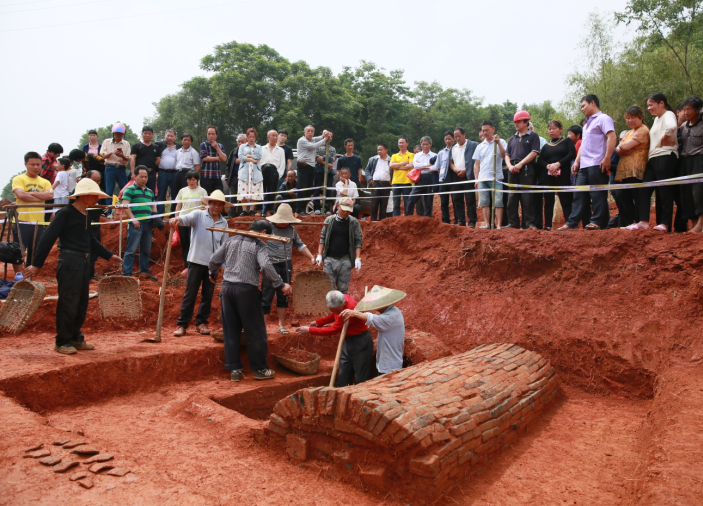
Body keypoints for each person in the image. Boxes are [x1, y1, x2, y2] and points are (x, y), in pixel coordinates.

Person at [25, 178, 121, 355]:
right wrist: (36, 264)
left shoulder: (85, 215)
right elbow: (47, 238)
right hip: (70, 261)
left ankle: (76, 337)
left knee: (81, 302)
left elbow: (90, 240)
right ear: (84, 196)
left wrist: (109, 255)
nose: (97, 200)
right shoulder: (65, 213)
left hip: (83, 262)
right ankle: (62, 341)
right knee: (68, 302)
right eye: (95, 196)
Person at [209, 220, 292, 382]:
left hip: (227, 290)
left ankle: (235, 369)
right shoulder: (259, 245)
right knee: (255, 329)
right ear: (262, 232)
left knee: (231, 330)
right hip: (246, 290)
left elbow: (213, 259)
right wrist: (280, 284)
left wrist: (212, 274)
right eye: (267, 236)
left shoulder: (231, 240)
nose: (266, 239)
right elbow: (266, 266)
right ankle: (260, 368)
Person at [170, 190, 230, 337]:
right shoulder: (198, 215)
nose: (216, 207)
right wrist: (176, 219)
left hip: (213, 265)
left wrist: (222, 265)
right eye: (214, 203)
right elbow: (185, 219)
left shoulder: (224, 222)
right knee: (190, 293)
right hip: (196, 261)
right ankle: (182, 324)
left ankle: (201, 323)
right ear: (209, 204)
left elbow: (224, 245)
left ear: (223, 206)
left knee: (207, 294)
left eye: (219, 204)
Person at [558, 95, 616, 231]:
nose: (582, 109)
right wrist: (577, 161)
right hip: (584, 165)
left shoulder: (603, 118)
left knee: (597, 194)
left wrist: (607, 158)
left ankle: (597, 222)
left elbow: (611, 136)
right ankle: (572, 222)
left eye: (583, 105)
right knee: (579, 193)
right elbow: (584, 145)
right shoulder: (586, 125)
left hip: (597, 162)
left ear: (593, 103)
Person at [625, 94, 679, 232]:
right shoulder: (656, 119)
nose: (649, 108)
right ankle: (643, 221)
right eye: (648, 105)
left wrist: (665, 139)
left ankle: (665, 224)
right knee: (644, 188)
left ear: (661, 103)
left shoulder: (669, 115)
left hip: (666, 156)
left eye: (651, 105)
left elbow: (672, 127)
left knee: (664, 191)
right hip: (653, 159)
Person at [296, 290, 372, 387]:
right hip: (348, 340)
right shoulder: (339, 299)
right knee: (343, 374)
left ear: (343, 303)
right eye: (332, 309)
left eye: (337, 310)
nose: (335, 312)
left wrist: (310, 330)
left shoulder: (349, 309)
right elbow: (335, 314)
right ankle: (341, 395)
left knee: (361, 377)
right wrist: (319, 322)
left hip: (360, 341)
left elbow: (333, 329)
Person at [264, 204, 315, 333]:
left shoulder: (292, 230)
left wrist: (311, 257)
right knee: (266, 296)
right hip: (270, 265)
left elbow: (300, 245)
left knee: (284, 295)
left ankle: (281, 325)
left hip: (285, 265)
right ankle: (262, 326)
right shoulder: (268, 228)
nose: (283, 223)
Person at [340, 285, 406, 376]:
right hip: (388, 362)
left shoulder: (389, 317)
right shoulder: (395, 311)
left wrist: (355, 313)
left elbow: (372, 318)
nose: (375, 307)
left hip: (389, 366)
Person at [13, 152, 53, 266]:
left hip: (39, 222)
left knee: (35, 253)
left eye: (38, 164)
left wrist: (29, 194)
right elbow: (21, 195)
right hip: (22, 220)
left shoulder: (45, 182)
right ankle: (19, 279)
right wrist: (40, 195)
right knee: (18, 252)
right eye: (32, 164)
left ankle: (29, 280)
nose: (36, 167)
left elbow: (49, 196)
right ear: (26, 164)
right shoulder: (18, 179)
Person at [535, 120, 577, 230]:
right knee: (548, 200)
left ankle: (570, 223)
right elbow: (540, 160)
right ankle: (548, 225)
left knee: (565, 199)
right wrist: (548, 166)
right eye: (549, 129)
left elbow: (571, 154)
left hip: (563, 173)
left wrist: (558, 164)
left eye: (554, 128)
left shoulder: (567, 141)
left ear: (561, 129)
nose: (551, 131)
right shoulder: (546, 146)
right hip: (548, 175)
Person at [316, 197, 362, 294]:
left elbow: (358, 240)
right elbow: (322, 238)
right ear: (338, 206)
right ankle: (329, 309)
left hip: (345, 260)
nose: (346, 212)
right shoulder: (329, 220)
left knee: (343, 290)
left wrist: (358, 258)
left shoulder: (353, 222)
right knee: (328, 289)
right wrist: (320, 254)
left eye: (348, 211)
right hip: (329, 259)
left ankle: (342, 309)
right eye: (344, 209)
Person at [614, 106, 650, 228]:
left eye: (632, 117)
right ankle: (629, 223)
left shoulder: (643, 130)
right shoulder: (629, 132)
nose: (629, 120)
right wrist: (621, 148)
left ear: (640, 117)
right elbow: (618, 149)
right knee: (626, 198)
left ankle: (640, 222)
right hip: (625, 170)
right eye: (627, 118)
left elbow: (622, 147)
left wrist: (621, 148)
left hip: (636, 169)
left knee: (637, 196)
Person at [505, 111, 540, 229]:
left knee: (527, 197)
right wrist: (510, 166)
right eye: (515, 122)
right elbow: (507, 155)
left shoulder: (533, 136)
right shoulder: (512, 138)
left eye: (518, 121)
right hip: (512, 169)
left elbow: (534, 152)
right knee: (512, 198)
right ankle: (513, 223)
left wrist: (520, 164)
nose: (516, 124)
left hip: (526, 168)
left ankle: (529, 223)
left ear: (526, 122)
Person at [122, 166, 157, 280]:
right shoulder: (129, 190)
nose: (144, 179)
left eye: (146, 177)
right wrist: (133, 219)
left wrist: (155, 220)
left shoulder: (150, 192)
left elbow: (153, 207)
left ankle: (144, 271)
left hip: (148, 224)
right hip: (136, 224)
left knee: (146, 250)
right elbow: (125, 205)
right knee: (131, 249)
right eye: (141, 176)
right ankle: (127, 273)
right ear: (135, 176)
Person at [473, 121, 507, 229]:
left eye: (487, 130)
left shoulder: (501, 141)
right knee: (484, 202)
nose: (485, 132)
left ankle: (499, 225)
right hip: (483, 177)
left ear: (493, 129)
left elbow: (504, 155)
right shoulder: (480, 146)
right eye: (483, 130)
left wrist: (498, 143)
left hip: (496, 177)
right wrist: (476, 179)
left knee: (498, 201)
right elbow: (476, 163)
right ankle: (487, 224)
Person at [174, 170, 208, 272]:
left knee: (195, 243)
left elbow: (206, 206)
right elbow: (178, 206)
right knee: (185, 244)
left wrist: (205, 210)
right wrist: (177, 218)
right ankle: (187, 266)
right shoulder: (182, 191)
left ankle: (195, 266)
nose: (191, 182)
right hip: (183, 220)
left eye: (193, 179)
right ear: (186, 180)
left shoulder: (202, 191)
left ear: (197, 180)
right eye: (189, 179)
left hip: (196, 221)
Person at [680, 95, 703, 233]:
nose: (686, 112)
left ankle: (700, 225)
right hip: (685, 160)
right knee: (687, 193)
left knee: (699, 192)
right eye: (684, 109)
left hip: (699, 159)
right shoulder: (683, 126)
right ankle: (694, 225)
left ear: (698, 109)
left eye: (689, 109)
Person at [296, 126, 331, 215]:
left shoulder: (313, 139)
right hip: (303, 166)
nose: (310, 133)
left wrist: (325, 132)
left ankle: (304, 209)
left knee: (308, 190)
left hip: (311, 167)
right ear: (304, 132)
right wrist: (325, 139)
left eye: (312, 131)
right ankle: (300, 210)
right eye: (308, 131)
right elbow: (314, 146)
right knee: (302, 189)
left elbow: (320, 137)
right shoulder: (302, 140)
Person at [100, 123, 131, 206]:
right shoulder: (106, 142)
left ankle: (126, 210)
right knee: (109, 190)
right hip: (110, 167)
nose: (118, 135)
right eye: (117, 133)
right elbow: (103, 156)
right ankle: (109, 212)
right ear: (113, 133)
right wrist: (111, 153)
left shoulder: (126, 144)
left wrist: (121, 155)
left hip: (121, 168)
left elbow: (127, 158)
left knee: (125, 190)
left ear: (123, 134)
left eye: (120, 133)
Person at [406, 136, 437, 216]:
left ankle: (428, 218)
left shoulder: (435, 155)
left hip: (430, 177)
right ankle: (408, 216)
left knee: (428, 200)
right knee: (412, 197)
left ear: (431, 144)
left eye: (427, 144)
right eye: (423, 144)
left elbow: (435, 167)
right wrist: (429, 165)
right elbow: (416, 166)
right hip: (420, 177)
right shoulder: (417, 155)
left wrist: (422, 166)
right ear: (421, 144)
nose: (425, 146)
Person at [237, 127, 263, 217]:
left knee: (254, 191)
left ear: (255, 137)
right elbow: (241, 157)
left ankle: (252, 209)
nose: (251, 138)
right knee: (243, 190)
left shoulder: (259, 147)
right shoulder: (242, 146)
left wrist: (247, 157)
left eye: (253, 137)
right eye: (250, 136)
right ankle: (244, 210)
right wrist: (250, 157)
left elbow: (258, 157)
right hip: (244, 172)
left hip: (255, 173)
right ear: (247, 137)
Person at [260, 130, 286, 217]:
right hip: (263, 170)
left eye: (276, 135)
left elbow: (282, 164)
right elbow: (258, 161)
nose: (275, 137)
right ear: (268, 137)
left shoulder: (281, 150)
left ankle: (268, 210)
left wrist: (278, 175)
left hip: (274, 171)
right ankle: (259, 210)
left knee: (272, 192)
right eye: (273, 135)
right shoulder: (262, 148)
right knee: (261, 191)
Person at [156, 129, 181, 216]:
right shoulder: (159, 145)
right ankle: (160, 214)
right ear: (165, 136)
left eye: (172, 136)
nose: (169, 138)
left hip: (175, 173)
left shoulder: (179, 147)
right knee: (161, 194)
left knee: (174, 194)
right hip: (162, 172)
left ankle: (173, 214)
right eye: (168, 135)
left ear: (175, 137)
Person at [365, 143, 392, 221]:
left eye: (381, 150)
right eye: (378, 150)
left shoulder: (391, 160)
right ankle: (373, 221)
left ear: (386, 150)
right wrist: (369, 178)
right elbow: (367, 170)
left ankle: (382, 221)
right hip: (375, 184)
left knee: (384, 205)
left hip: (386, 184)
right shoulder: (373, 159)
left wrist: (392, 181)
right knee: (374, 204)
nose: (379, 151)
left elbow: (393, 172)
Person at [85, 170, 104, 280]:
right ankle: (82, 273)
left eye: (98, 181)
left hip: (95, 225)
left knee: (94, 250)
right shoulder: (79, 191)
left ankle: (90, 274)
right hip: (81, 225)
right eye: (93, 180)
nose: (96, 183)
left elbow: (104, 209)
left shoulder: (100, 193)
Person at [130, 126, 161, 193]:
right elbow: (132, 159)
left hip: (151, 173)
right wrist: (133, 173)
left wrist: (152, 167)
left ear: (152, 135)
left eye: (149, 133)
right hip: (139, 173)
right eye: (145, 133)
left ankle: (150, 204)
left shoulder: (156, 147)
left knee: (150, 192)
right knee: (137, 191)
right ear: (142, 134)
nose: (147, 135)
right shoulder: (136, 146)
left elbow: (158, 160)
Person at [199, 125, 227, 195]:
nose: (211, 136)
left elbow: (224, 158)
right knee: (206, 197)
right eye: (209, 134)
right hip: (206, 176)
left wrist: (217, 148)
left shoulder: (220, 146)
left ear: (216, 135)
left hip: (217, 176)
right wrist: (217, 158)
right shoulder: (203, 145)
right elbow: (204, 158)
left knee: (218, 196)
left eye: (213, 134)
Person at [390, 137, 414, 216]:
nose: (401, 144)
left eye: (403, 142)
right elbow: (391, 165)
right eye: (399, 143)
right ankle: (397, 219)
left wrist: (397, 166)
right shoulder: (394, 155)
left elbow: (410, 166)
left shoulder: (411, 155)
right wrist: (403, 163)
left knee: (407, 203)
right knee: (396, 204)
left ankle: (407, 219)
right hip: (395, 182)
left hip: (406, 181)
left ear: (407, 143)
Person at [314, 130, 337, 214]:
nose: (329, 138)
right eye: (327, 136)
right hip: (319, 170)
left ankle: (327, 209)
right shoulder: (318, 147)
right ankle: (316, 208)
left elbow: (334, 159)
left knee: (328, 190)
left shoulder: (332, 149)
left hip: (329, 172)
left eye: (330, 136)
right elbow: (318, 158)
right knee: (317, 189)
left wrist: (325, 159)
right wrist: (327, 163)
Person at [225, 133, 247, 218]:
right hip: (233, 177)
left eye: (242, 141)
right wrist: (227, 177)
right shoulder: (234, 151)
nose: (240, 143)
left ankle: (240, 217)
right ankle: (231, 218)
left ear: (246, 141)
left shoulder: (249, 151)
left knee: (242, 199)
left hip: (244, 178)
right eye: (239, 142)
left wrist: (241, 161)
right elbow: (228, 165)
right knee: (232, 198)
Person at [174, 132, 202, 197]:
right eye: (184, 140)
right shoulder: (177, 152)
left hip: (187, 174)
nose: (186, 141)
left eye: (188, 140)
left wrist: (192, 177)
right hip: (177, 174)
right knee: (176, 193)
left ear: (191, 142)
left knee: (186, 194)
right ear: (181, 141)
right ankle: (176, 207)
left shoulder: (194, 152)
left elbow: (197, 166)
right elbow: (175, 163)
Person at [437, 131, 454, 224]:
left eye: (449, 138)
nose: (448, 141)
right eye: (446, 139)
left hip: (454, 179)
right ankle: (445, 221)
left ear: (454, 139)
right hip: (443, 180)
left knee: (455, 200)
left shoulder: (456, 150)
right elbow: (438, 167)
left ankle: (458, 220)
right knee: (444, 202)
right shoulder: (441, 153)